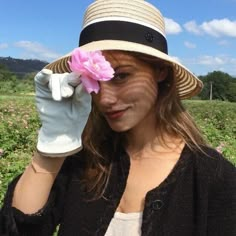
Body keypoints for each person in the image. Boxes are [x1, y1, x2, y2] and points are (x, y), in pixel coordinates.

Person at [0, 0, 236, 235]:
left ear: (161, 72)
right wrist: (51, 147)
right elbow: (18, 229)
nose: (104, 99)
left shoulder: (213, 178)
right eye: (93, 82)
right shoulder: (83, 160)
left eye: (121, 76)